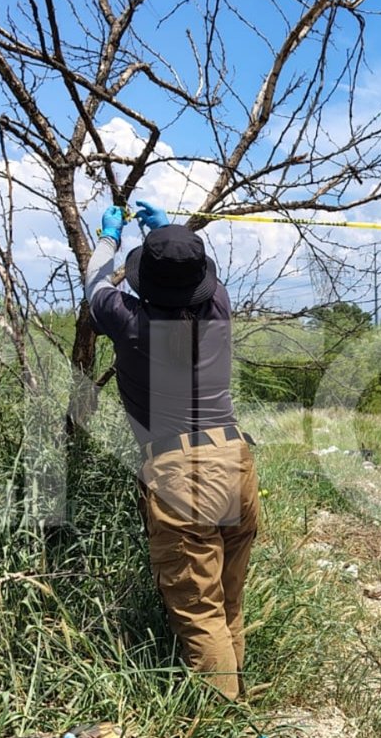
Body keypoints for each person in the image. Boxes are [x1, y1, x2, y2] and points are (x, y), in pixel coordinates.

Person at [82, 200, 260, 701]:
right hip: (235, 459)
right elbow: (201, 274)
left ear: (147, 282)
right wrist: (168, 232)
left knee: (200, 611)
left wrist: (109, 237)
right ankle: (240, 706)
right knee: (227, 601)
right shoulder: (219, 306)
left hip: (182, 472)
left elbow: (95, 283)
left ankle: (223, 722)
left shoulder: (128, 321)